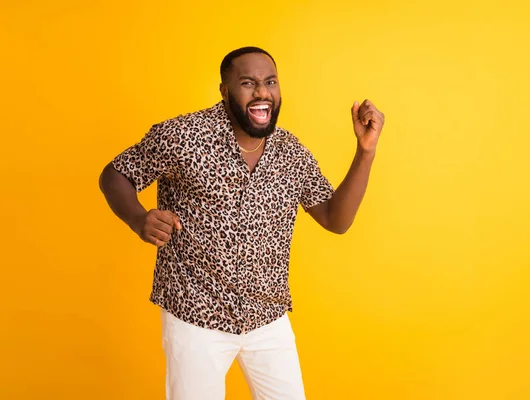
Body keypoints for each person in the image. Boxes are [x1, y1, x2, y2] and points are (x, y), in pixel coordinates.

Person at [99, 46, 384, 400]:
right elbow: (115, 176)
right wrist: (138, 218)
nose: (262, 92)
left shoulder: (291, 153)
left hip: (267, 316)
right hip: (195, 314)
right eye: (248, 82)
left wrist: (365, 150)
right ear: (225, 90)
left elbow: (335, 219)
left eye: (270, 82)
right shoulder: (183, 136)